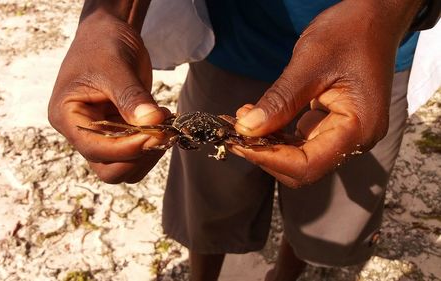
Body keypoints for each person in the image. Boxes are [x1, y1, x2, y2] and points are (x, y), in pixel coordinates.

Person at [48, 0, 440, 280]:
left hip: (370, 58)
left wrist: (385, 11)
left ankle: (284, 275)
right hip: (233, 43)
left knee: (317, 182)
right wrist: (111, 15)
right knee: (208, 200)